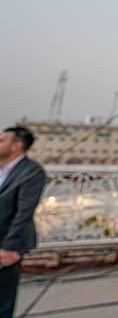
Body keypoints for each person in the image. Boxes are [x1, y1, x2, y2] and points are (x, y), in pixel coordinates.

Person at [0, 126, 46, 318]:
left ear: (16, 146)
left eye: (2, 140)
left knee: (2, 299)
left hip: (6, 242)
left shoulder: (31, 172)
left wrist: (9, 248)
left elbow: (23, 213)